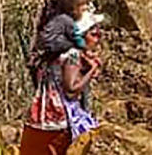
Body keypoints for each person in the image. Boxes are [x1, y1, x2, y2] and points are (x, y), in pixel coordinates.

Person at [20, 8, 102, 155]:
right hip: (58, 123)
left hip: (39, 119)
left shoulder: (54, 53)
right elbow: (70, 90)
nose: (98, 39)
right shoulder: (72, 55)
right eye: (94, 34)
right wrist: (92, 70)